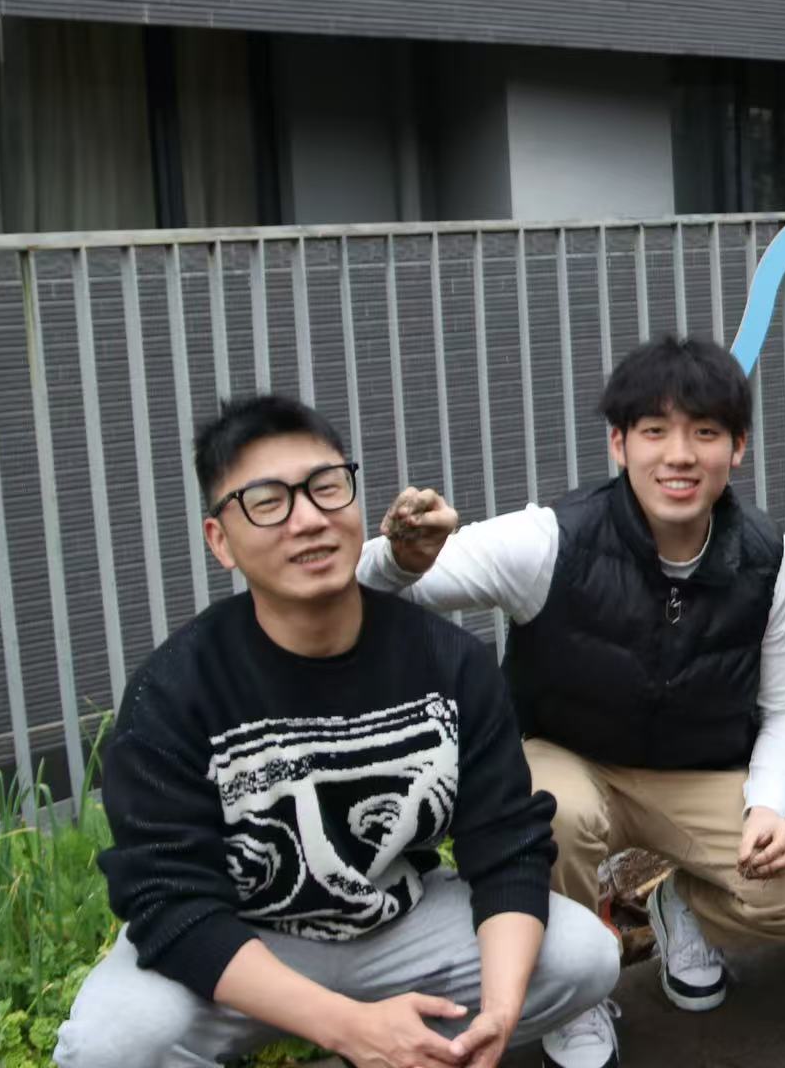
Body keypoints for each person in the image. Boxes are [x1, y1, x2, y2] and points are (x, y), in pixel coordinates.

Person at [54, 395, 619, 1068]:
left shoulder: (449, 663)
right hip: (242, 940)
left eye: (326, 488)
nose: (308, 519)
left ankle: (423, 1048)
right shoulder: (175, 690)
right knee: (109, 1047)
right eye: (268, 502)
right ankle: (376, 1041)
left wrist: (499, 1013)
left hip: (397, 925)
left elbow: (506, 845)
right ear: (219, 540)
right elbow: (170, 903)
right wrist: (348, 1027)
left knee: (582, 956)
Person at [356, 337, 785, 1047]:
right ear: (619, 444)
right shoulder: (552, 540)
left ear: (738, 447)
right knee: (548, 810)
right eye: (654, 431)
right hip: (570, 759)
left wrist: (770, 804)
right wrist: (401, 556)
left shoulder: (768, 559)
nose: (679, 456)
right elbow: (383, 585)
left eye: (705, 433)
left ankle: (684, 910)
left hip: (698, 773)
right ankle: (572, 992)